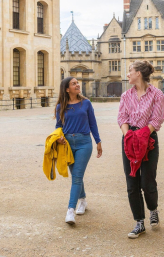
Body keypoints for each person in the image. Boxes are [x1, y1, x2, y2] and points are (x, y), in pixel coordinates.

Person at [117, 60, 164, 238]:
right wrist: (128, 136)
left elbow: (157, 118)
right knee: (132, 184)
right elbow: (122, 117)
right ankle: (139, 222)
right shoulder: (125, 96)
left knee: (147, 182)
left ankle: (153, 209)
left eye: (130, 70)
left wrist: (144, 134)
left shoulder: (157, 94)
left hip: (149, 140)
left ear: (139, 73)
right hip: (130, 139)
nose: (128, 74)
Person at [55, 77, 103, 225]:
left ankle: (70, 210)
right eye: (73, 83)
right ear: (67, 89)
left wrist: (98, 141)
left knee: (76, 176)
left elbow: (93, 123)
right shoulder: (60, 106)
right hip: (67, 144)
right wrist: (58, 138)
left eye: (77, 83)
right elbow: (58, 126)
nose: (77, 85)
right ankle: (82, 200)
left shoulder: (86, 103)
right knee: (76, 175)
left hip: (84, 143)